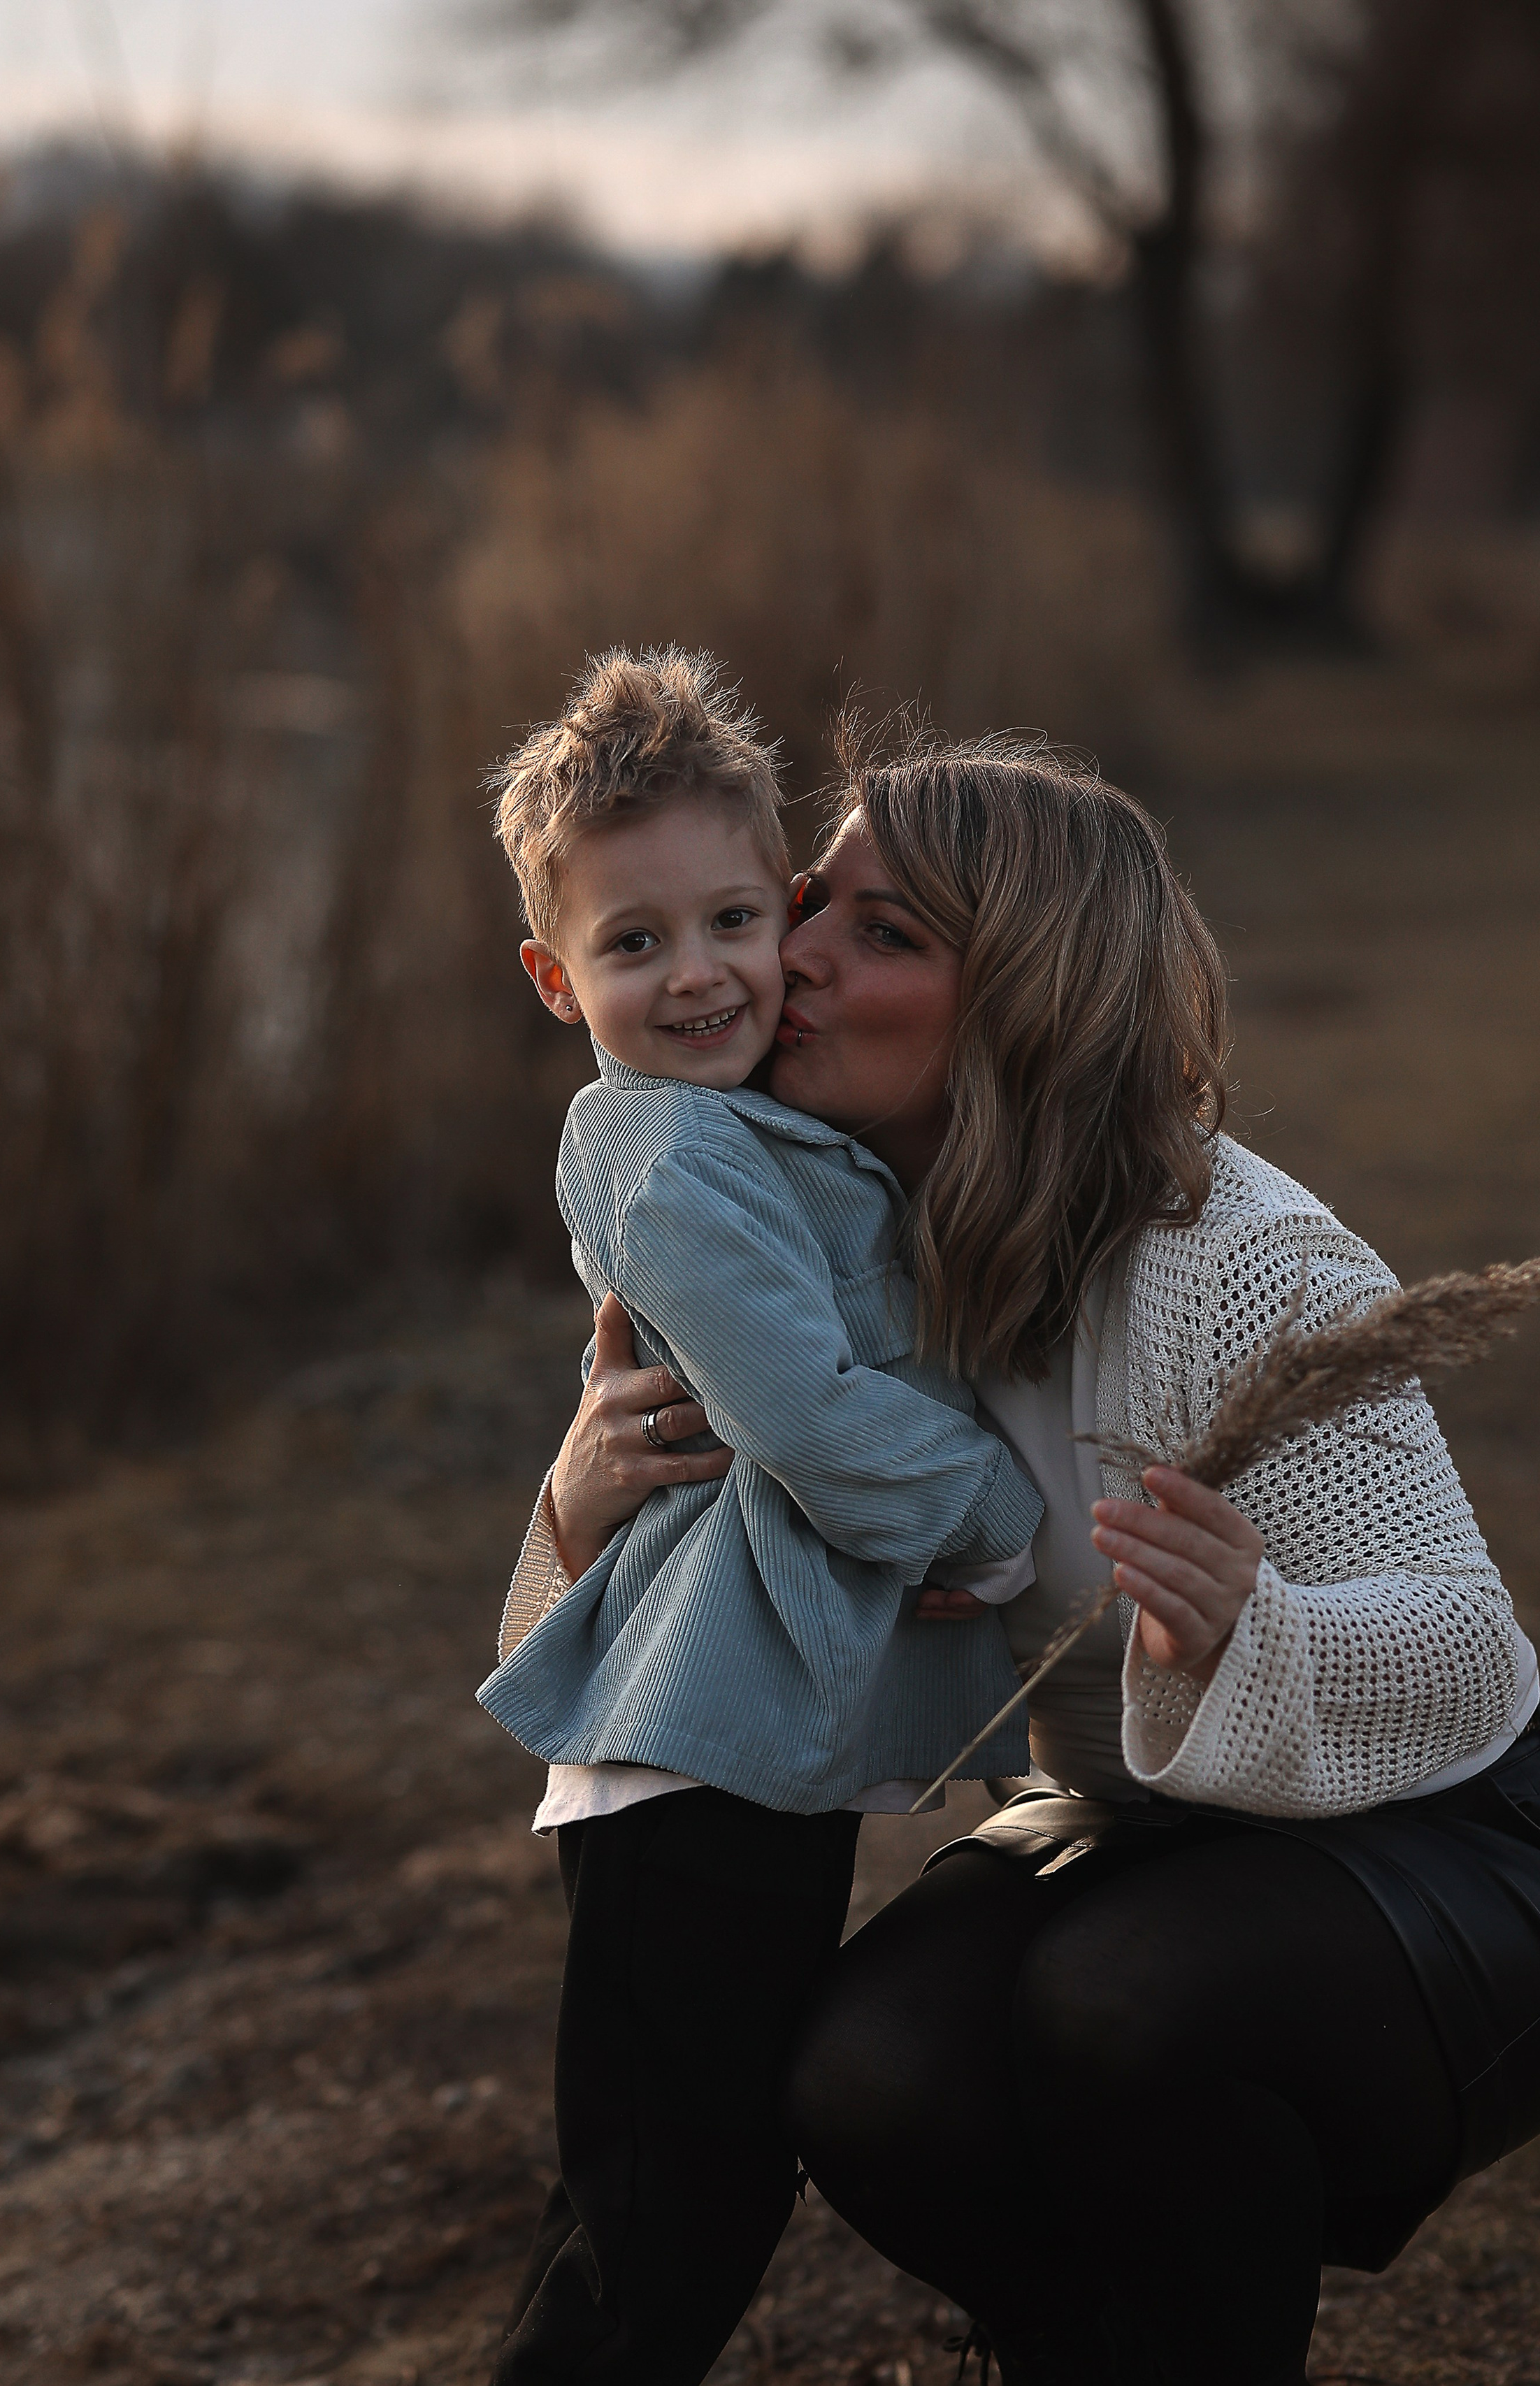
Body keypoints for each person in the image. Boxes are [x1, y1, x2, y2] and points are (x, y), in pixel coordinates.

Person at [547, 728, 1540, 2386]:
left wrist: (1243, 1634)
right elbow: (709, 1529)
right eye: (805, 905)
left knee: (1120, 2001)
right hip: (1132, 1834)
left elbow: (1465, 1651)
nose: (790, 961)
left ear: (1023, 1002)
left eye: (885, 934)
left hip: (1449, 1849)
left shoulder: (1237, 1258)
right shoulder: (828, 1222)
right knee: (865, 2071)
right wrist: (577, 1501)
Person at [477, 652, 1042, 2386]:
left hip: (731, 1748)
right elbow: (803, 1411)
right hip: (684, 1763)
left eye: (730, 919)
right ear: (554, 981)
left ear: (786, 902)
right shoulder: (661, 1155)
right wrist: (997, 1523)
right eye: (631, 945)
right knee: (670, 2209)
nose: (699, 975)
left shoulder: (750, 1129)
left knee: (682, 2185)